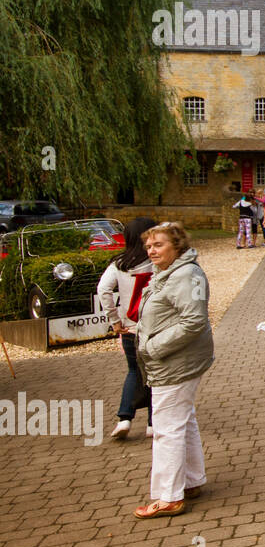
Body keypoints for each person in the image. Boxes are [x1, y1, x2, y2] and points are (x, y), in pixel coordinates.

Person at [131, 222, 213, 518]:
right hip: (176, 359)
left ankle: (169, 496)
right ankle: (190, 480)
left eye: (159, 245)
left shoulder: (185, 274)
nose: (152, 250)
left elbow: (194, 321)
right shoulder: (171, 273)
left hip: (175, 361)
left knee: (167, 428)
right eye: (149, 246)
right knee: (183, 419)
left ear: (176, 246)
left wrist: (153, 347)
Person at [99, 217, 157, 442]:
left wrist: (114, 320)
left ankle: (124, 418)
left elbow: (103, 289)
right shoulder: (157, 260)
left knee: (134, 371)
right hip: (154, 327)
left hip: (129, 327)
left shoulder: (119, 263)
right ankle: (153, 423)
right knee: (155, 375)